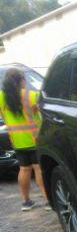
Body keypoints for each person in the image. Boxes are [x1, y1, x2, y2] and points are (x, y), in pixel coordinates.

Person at [0, 68, 48, 211]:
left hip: (17, 140)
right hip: (34, 139)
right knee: (38, 169)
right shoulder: (31, 95)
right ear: (20, 80)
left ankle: (26, 202)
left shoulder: (2, 97)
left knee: (24, 169)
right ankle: (47, 200)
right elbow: (41, 111)